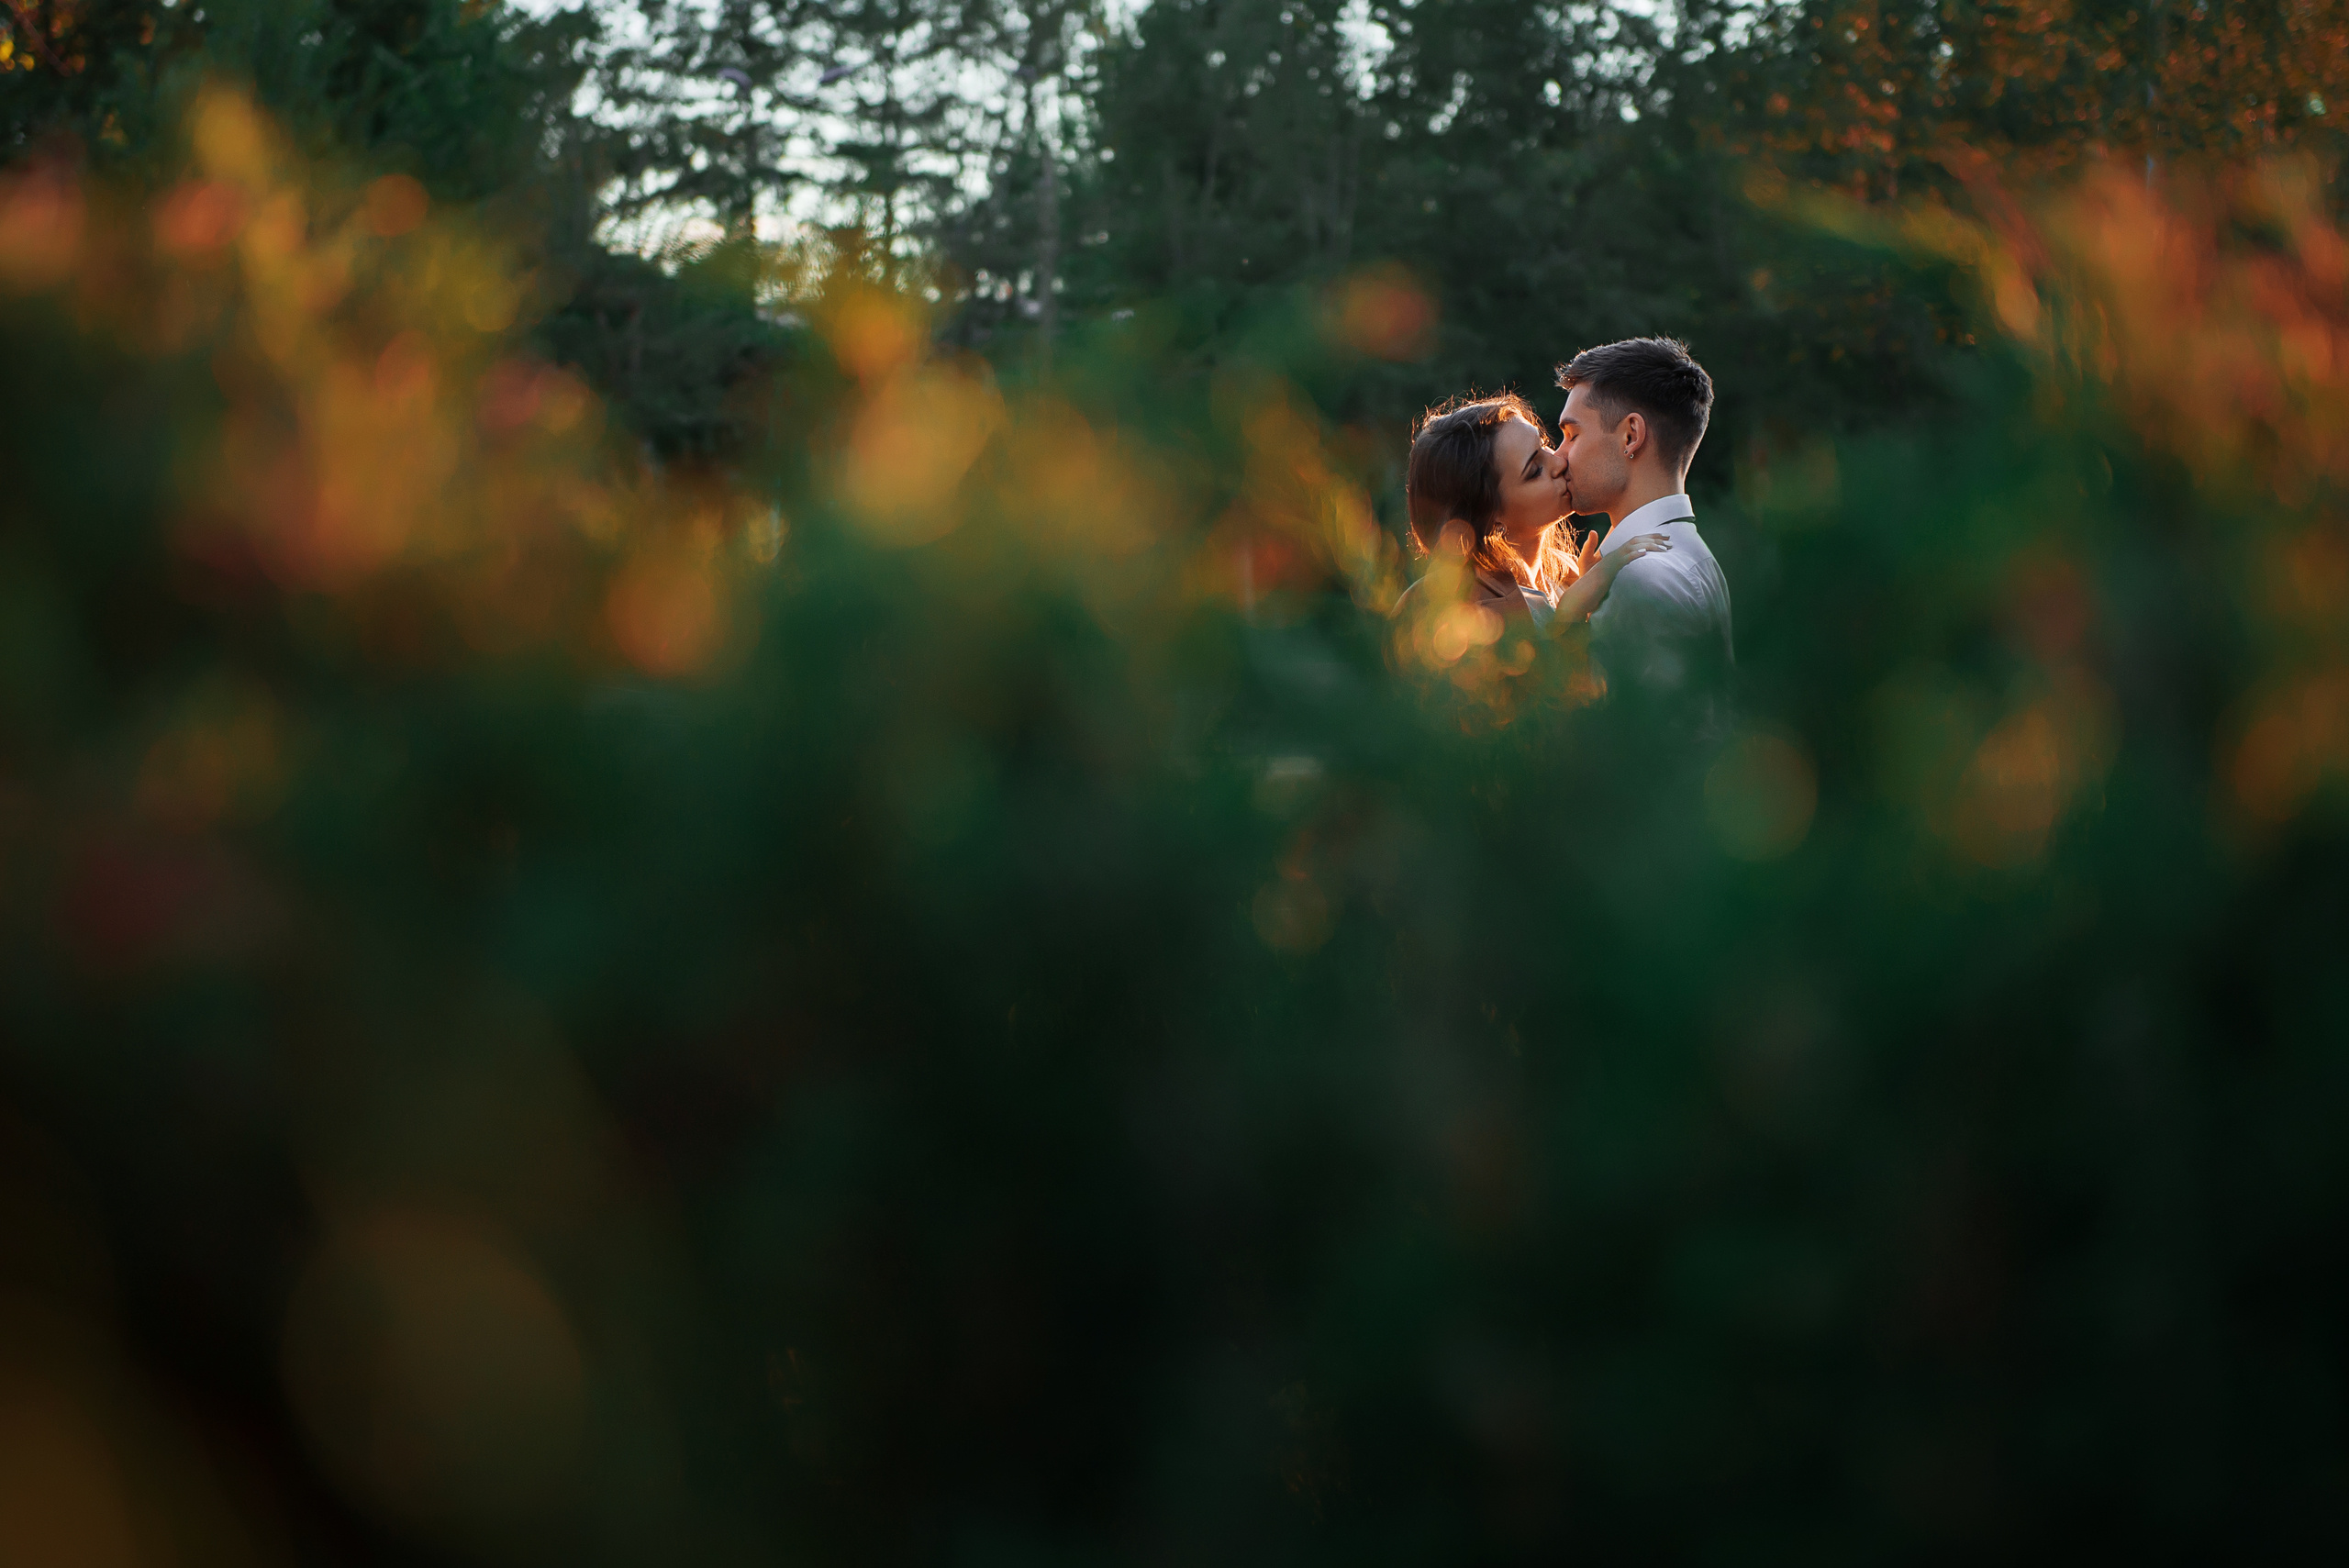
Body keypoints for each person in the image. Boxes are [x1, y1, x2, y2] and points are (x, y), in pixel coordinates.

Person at [1548, 338, 1734, 722]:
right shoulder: (1685, 555)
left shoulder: (1643, 577)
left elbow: (1644, 752)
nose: (1559, 455)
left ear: (1631, 435)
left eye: (1573, 435)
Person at [1397, 392, 1671, 629]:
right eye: (1535, 470)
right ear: (1490, 518)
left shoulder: (1568, 573)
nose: (1559, 461)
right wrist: (1570, 618)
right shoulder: (1441, 609)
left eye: (1543, 446)